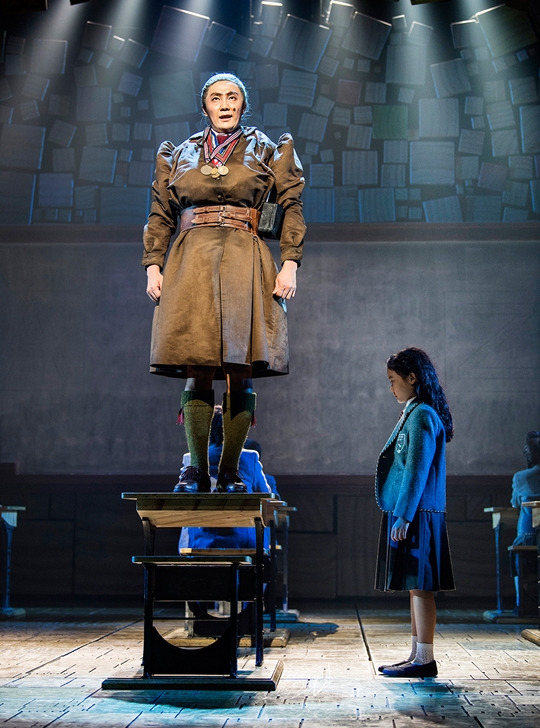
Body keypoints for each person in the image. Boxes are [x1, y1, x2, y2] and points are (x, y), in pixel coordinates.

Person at [142, 72, 306, 494]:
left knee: (239, 365)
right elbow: (160, 213)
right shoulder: (180, 154)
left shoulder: (266, 148)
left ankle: (230, 472)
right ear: (205, 107)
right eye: (216, 98)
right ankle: (197, 471)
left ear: (243, 105)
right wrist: (153, 265)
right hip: (191, 259)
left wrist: (290, 262)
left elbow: (291, 205)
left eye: (233, 97)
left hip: (243, 257)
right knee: (196, 362)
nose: (225, 104)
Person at [374, 347, 455, 678]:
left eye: (393, 380)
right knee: (415, 586)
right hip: (416, 512)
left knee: (421, 587)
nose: (391, 388)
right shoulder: (415, 412)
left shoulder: (422, 415)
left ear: (412, 378)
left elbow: (416, 471)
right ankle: (416, 655)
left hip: (419, 513)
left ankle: (424, 659)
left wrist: (405, 515)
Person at [178, 405, 278, 551]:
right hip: (242, 540)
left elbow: (182, 499)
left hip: (201, 540)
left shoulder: (191, 458)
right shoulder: (249, 457)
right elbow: (266, 495)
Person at [509, 430, 540, 611]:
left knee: (516, 555)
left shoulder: (521, 477)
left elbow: (515, 503)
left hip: (528, 535)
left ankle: (521, 602)